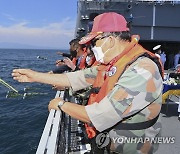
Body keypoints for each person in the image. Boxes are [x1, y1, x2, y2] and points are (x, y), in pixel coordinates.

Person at [12, 12, 163, 154]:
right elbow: (76, 78)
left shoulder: (142, 70)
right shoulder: (112, 65)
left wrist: (60, 104)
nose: (92, 48)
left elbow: (101, 115)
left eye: (94, 42)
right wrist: (35, 76)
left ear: (110, 40)